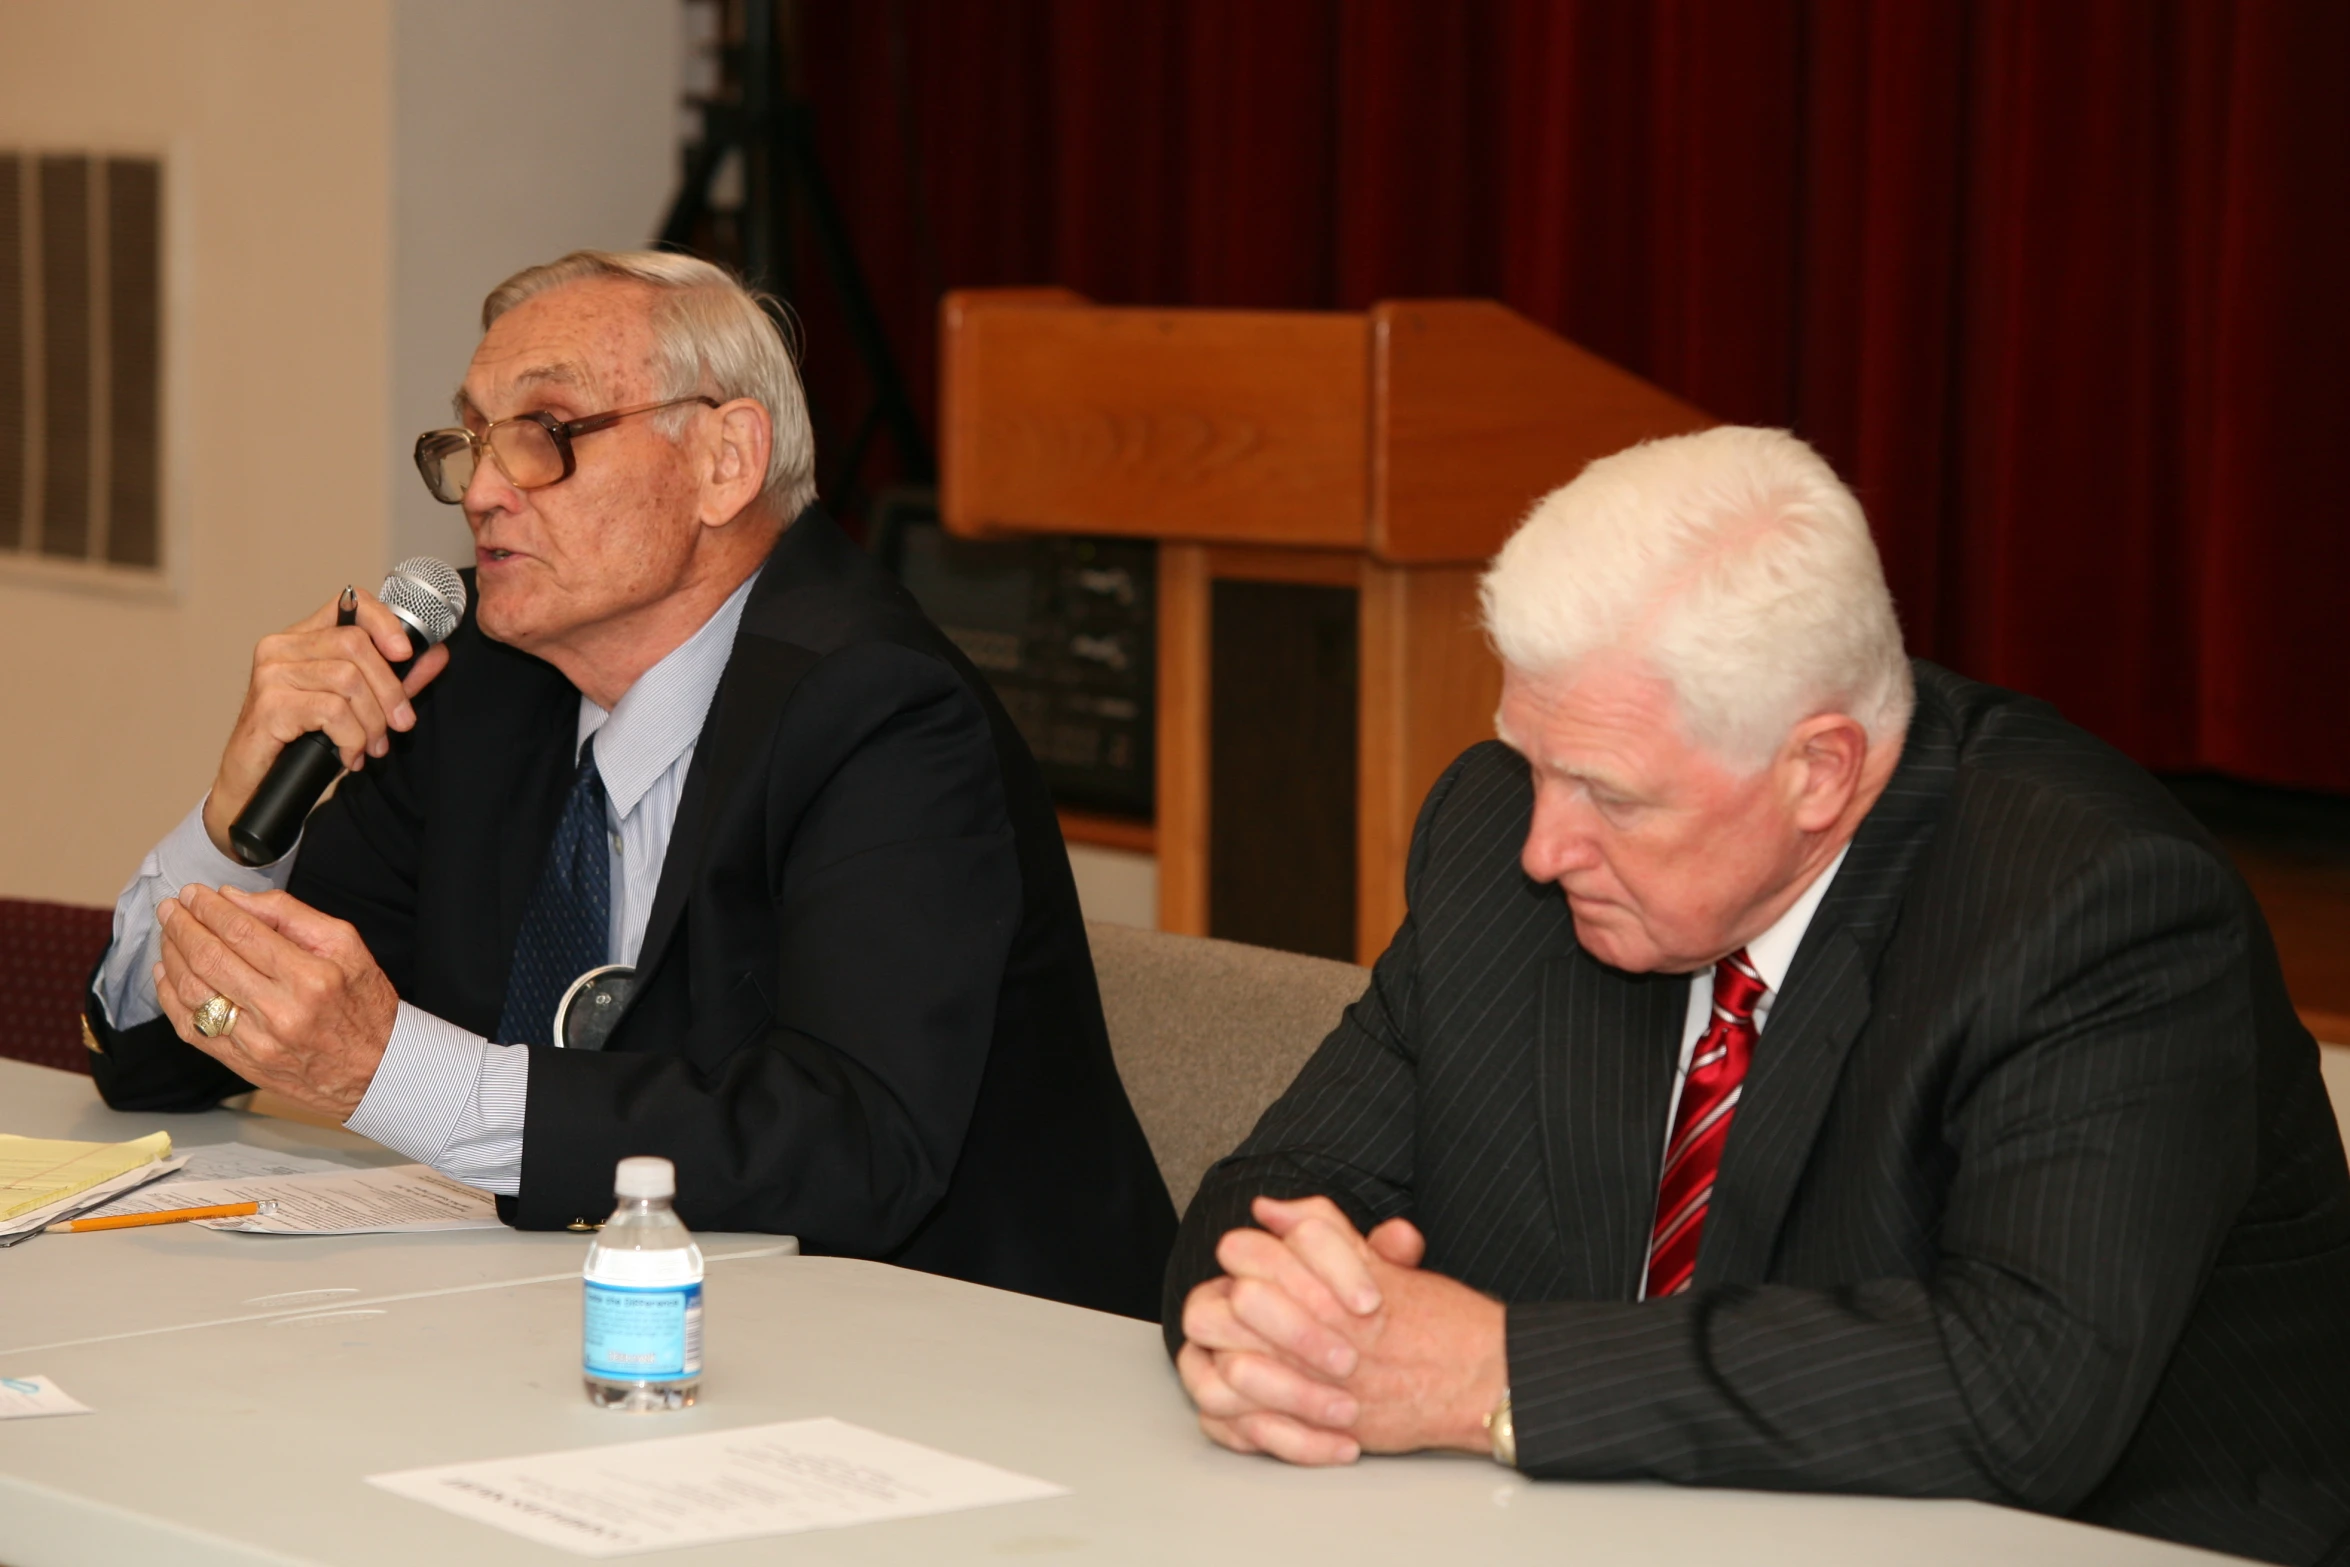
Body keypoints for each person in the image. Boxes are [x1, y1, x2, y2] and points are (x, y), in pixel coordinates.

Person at [1165, 426, 2350, 1563]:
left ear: (1818, 770)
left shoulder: (2091, 910)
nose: (1541, 843)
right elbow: (1272, 1189)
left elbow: (2022, 1387)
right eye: (1533, 761)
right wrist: (1280, 1320)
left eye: (1611, 794)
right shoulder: (1502, 842)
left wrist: (1491, 1374)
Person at [86, 248, 1176, 1319]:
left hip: (962, 1356)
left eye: (544, 435)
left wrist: (399, 1072)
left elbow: (857, 1143)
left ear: (724, 462)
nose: (482, 491)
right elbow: (162, 1061)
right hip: (580, 1324)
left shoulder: (884, 710)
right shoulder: (470, 687)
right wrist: (238, 830)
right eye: (470, 442)